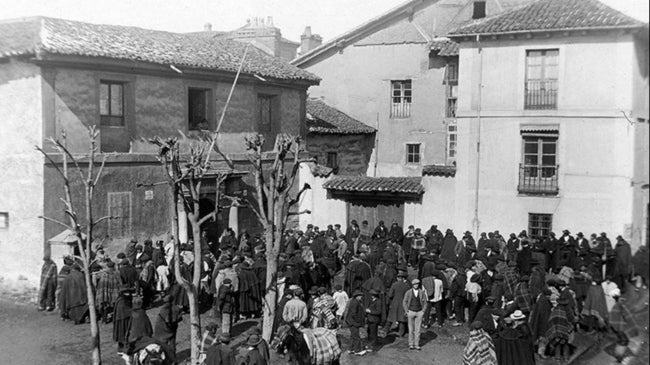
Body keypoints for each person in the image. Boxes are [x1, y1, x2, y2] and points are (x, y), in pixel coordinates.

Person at [402, 278, 428, 350]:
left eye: (417, 284)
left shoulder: (422, 292)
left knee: (418, 330)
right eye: (414, 284)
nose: (416, 285)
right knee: (411, 329)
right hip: (411, 311)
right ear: (412, 285)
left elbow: (425, 302)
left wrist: (423, 311)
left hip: (419, 312)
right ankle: (411, 344)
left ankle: (416, 344)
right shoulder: (408, 292)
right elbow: (404, 301)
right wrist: (406, 310)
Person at [344, 290, 366, 355]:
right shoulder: (355, 302)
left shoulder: (355, 301)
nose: (361, 297)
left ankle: (351, 349)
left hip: (351, 321)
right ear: (357, 296)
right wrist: (358, 321)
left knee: (353, 336)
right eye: (360, 296)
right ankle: (357, 350)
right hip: (353, 322)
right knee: (356, 337)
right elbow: (354, 314)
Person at [113, 286, 134, 353]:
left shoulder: (125, 299)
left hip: (124, 318)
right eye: (126, 292)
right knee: (122, 334)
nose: (128, 294)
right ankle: (123, 347)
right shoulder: (121, 301)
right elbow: (124, 310)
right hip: (122, 320)